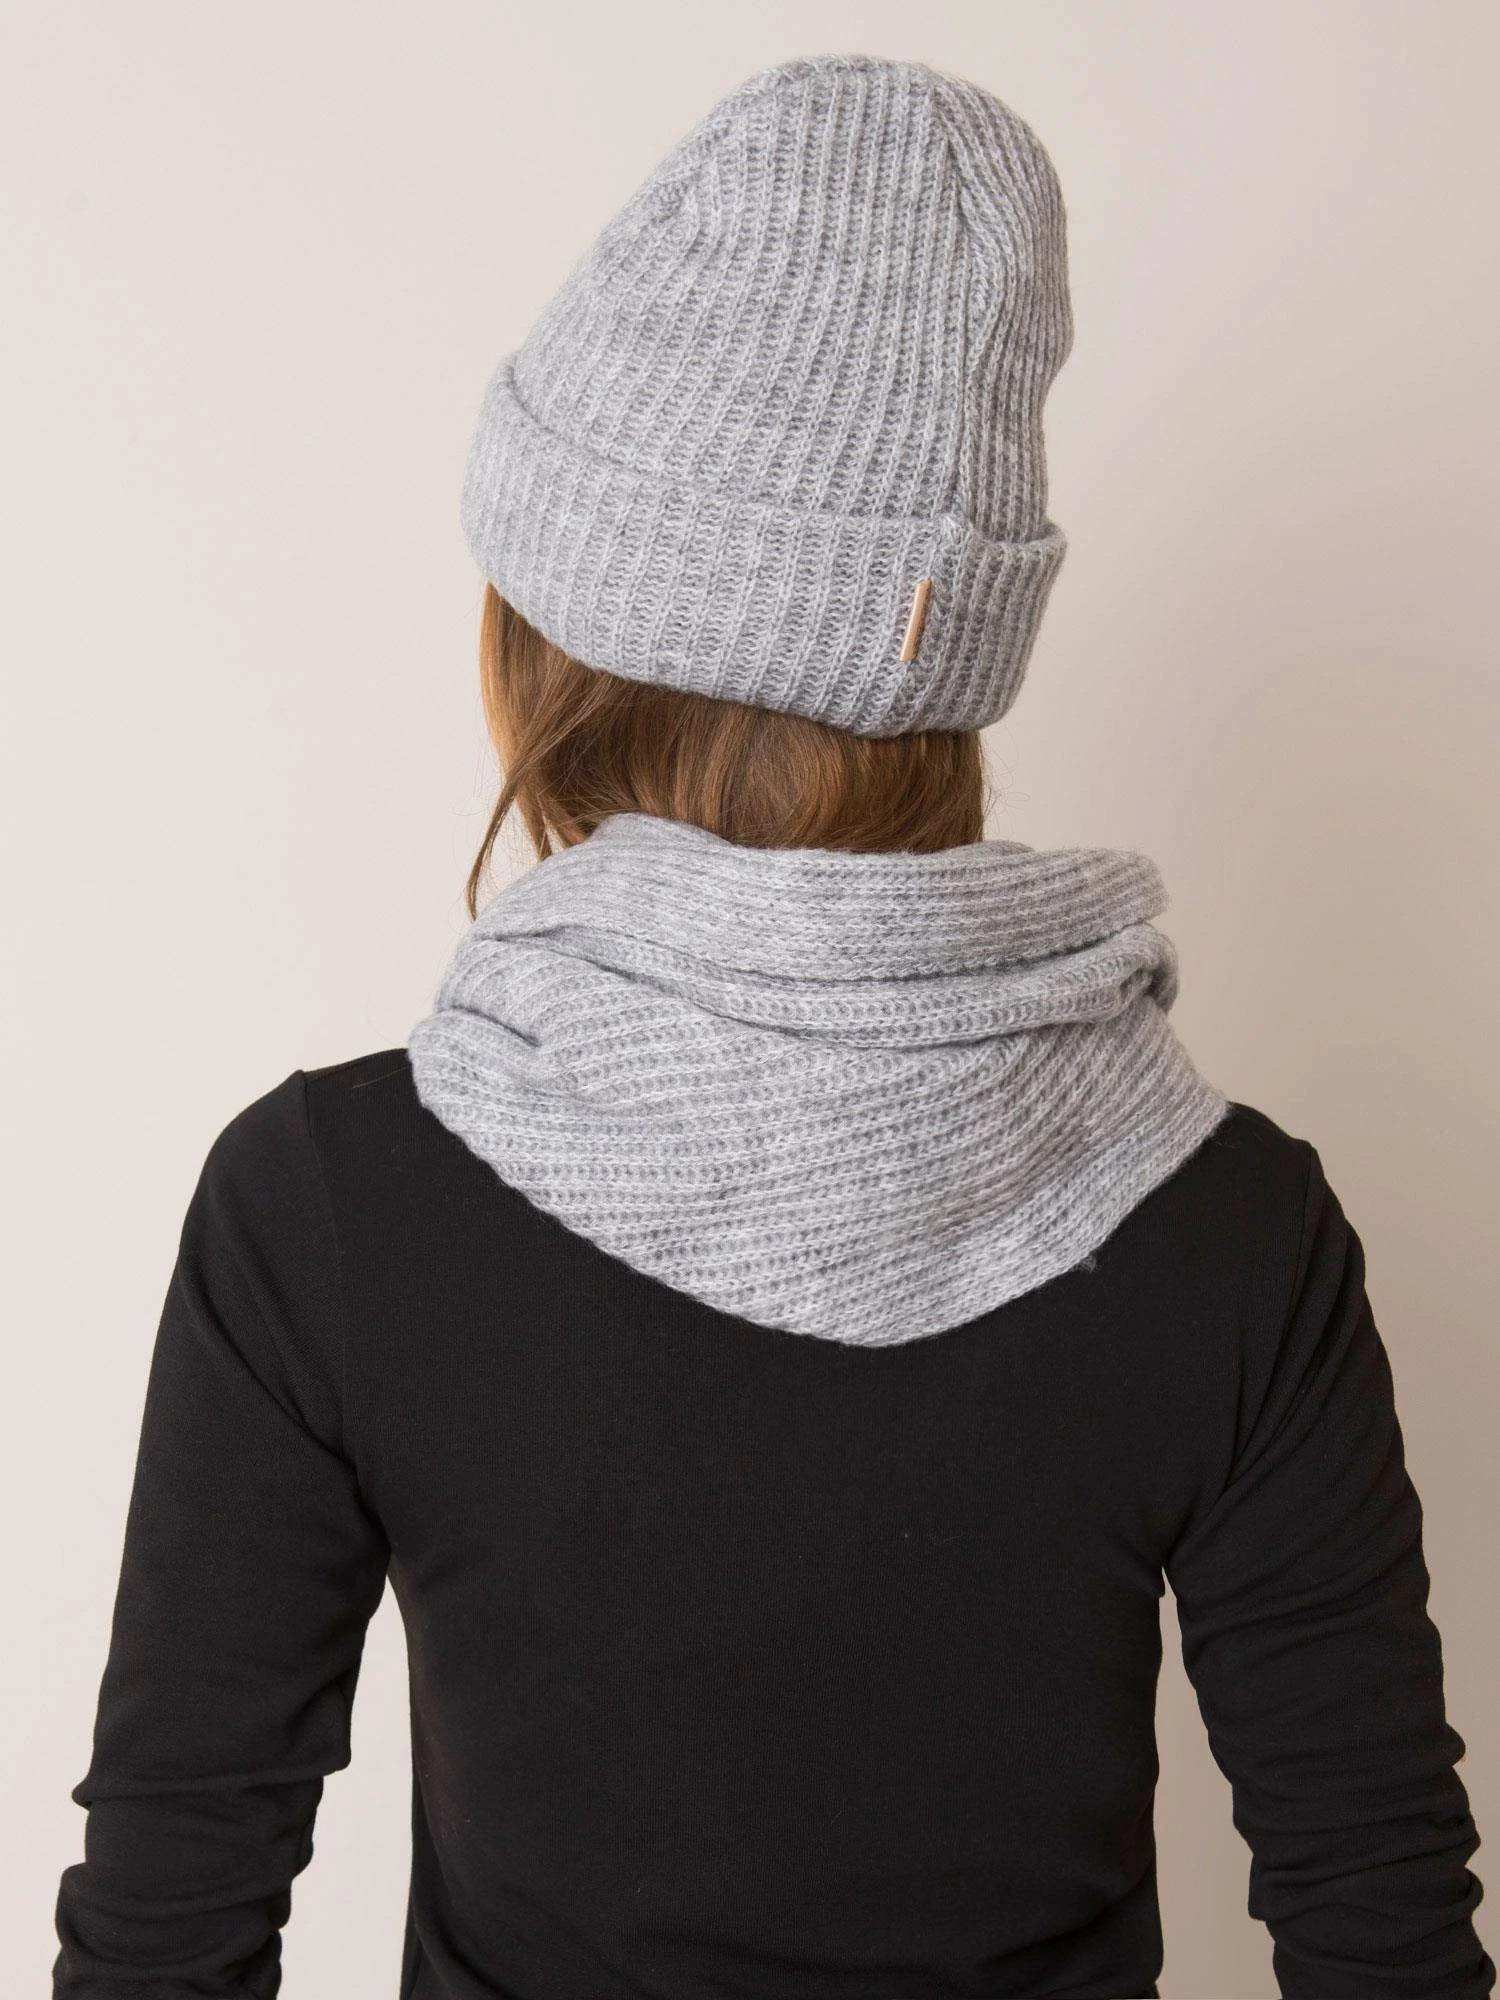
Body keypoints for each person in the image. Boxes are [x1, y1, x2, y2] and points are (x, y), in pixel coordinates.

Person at [53, 51, 1491, 2000]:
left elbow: (165, 1934)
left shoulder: (325, 1206)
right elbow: (1385, 1932)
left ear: (553, 646)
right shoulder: (1231, 1228)